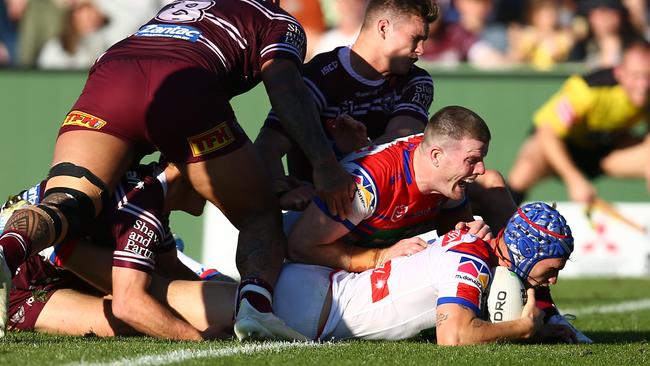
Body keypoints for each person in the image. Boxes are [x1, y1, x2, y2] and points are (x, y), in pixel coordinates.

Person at [0, 0, 356, 340]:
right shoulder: (277, 20)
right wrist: (324, 163)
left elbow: (168, 272)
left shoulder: (178, 8)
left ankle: (7, 252)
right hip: (181, 81)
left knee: (66, 203)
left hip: (113, 72)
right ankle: (257, 312)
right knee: (259, 215)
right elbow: (285, 86)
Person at [7, 202, 584, 345]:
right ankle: (52, 248)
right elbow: (456, 335)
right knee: (149, 299)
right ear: (530, 251)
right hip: (310, 307)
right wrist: (519, 330)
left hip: (316, 296)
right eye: (554, 266)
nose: (555, 277)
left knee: (155, 295)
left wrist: (549, 321)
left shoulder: (475, 250)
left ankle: (54, 259)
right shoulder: (473, 259)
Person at [255, 0, 438, 212]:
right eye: (415, 38)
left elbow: (400, 145)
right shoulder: (317, 77)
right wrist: (283, 192)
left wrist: (362, 149)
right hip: (322, 212)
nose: (421, 50)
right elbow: (267, 146)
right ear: (383, 27)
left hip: (385, 209)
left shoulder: (417, 80)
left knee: (469, 194)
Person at [287, 105, 494, 272]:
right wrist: (380, 257)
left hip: (365, 251)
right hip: (306, 263)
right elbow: (300, 246)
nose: (481, 169)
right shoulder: (367, 184)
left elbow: (453, 231)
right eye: (473, 160)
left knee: (494, 183)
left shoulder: (450, 179)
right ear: (436, 156)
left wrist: (468, 235)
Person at [508, 40, 650, 205]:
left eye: (648, 76)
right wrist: (574, 179)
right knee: (525, 170)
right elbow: (546, 132)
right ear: (619, 73)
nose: (643, 85)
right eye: (635, 76)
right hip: (561, 148)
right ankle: (500, 224)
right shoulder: (586, 90)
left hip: (604, 151)